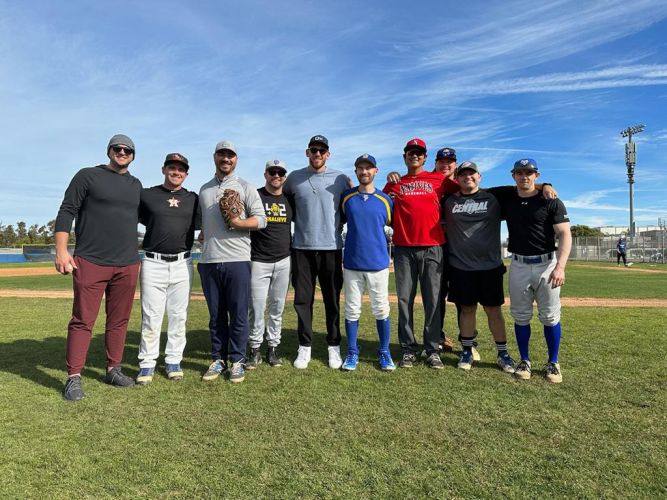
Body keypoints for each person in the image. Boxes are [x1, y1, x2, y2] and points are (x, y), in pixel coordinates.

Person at [55, 134, 142, 401]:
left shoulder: (136, 185)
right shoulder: (87, 176)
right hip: (91, 261)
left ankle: (113, 369)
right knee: (83, 320)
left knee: (119, 321)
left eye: (128, 150)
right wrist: (61, 250)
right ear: (109, 150)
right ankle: (73, 377)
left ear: (133, 155)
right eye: (118, 148)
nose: (122, 152)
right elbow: (67, 210)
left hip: (127, 263)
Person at [382, 138, 459, 369]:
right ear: (405, 157)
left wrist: (541, 186)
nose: (414, 155)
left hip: (433, 247)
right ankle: (408, 348)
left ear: (425, 158)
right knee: (404, 300)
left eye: (419, 153)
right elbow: (381, 207)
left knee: (433, 300)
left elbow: (469, 189)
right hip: (404, 249)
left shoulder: (439, 180)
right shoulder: (395, 183)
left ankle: (432, 349)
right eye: (410, 152)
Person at [198, 140, 266, 384]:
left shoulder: (246, 187)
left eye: (230, 155)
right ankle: (218, 358)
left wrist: (239, 223)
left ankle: (237, 360)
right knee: (216, 315)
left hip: (237, 259)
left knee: (238, 314)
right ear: (214, 157)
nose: (226, 159)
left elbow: (262, 220)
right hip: (209, 260)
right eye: (222, 154)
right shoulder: (204, 189)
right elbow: (203, 223)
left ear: (236, 159)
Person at [441, 161, 517, 373]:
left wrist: (545, 185)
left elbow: (525, 187)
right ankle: (467, 351)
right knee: (467, 309)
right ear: (457, 178)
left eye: (472, 173)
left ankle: (503, 353)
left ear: (479, 176)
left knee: (494, 310)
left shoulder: (493, 197)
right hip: (460, 266)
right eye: (463, 174)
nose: (468, 177)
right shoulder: (448, 201)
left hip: (490, 266)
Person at [283, 135, 351, 369]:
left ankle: (334, 346)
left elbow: (348, 208)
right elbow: (285, 207)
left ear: (328, 154)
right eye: (314, 150)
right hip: (302, 249)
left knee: (332, 299)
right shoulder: (293, 179)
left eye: (322, 150)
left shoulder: (341, 179)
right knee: (303, 300)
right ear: (307, 153)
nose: (318, 154)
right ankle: (304, 347)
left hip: (332, 248)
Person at [503, 159, 571, 383]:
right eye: (520, 172)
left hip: (547, 264)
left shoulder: (551, 201)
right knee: (521, 316)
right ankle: (525, 360)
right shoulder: (508, 198)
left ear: (536, 175)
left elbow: (565, 234)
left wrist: (560, 267)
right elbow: (475, 189)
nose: (524, 176)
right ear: (513, 175)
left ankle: (553, 362)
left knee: (550, 316)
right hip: (518, 264)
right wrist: (546, 184)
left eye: (529, 172)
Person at [135, 153, 200, 385]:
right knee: (151, 316)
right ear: (163, 169)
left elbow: (205, 224)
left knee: (178, 316)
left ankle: (173, 360)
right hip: (153, 262)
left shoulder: (193, 198)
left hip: (182, 263)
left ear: (186, 174)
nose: (176, 172)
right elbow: (133, 218)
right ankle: (147, 363)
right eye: (172, 167)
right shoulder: (147, 195)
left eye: (181, 169)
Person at [340, 154, 395, 371]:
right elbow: (341, 220)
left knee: (381, 309)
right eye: (360, 168)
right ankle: (352, 351)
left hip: (378, 264)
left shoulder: (385, 200)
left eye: (368, 168)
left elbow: (391, 222)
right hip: (352, 263)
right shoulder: (347, 197)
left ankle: (384, 351)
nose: (364, 172)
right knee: (352, 310)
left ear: (375, 171)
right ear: (356, 171)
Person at [246, 160, 293, 369]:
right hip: (258, 259)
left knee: (277, 307)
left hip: (283, 260)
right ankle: (254, 348)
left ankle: (273, 347)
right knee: (256, 308)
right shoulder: (255, 195)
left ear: (284, 176)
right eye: (272, 172)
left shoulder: (289, 199)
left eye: (280, 173)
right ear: (265, 174)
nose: (276, 176)